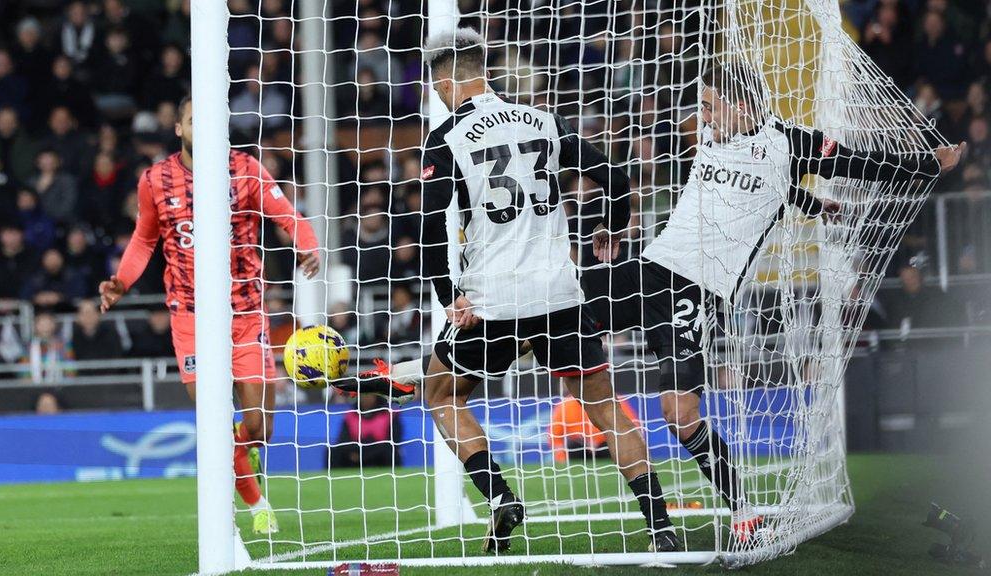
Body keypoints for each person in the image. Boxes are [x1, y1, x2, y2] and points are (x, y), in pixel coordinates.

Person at [579, 61, 965, 542]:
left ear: (741, 105)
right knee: (560, 307)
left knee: (678, 416)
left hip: (694, 293)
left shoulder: (791, 143)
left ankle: (743, 514)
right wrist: (805, 203)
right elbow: (752, 189)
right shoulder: (712, 135)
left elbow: (860, 165)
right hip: (650, 267)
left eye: (709, 105)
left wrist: (930, 163)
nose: (703, 116)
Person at [412, 28, 677, 555]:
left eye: (436, 87)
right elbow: (615, 177)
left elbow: (425, 228)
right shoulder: (543, 120)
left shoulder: (446, 139)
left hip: (492, 297)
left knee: (441, 395)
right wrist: (614, 225)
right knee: (605, 410)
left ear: (446, 81)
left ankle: (500, 497)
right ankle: (661, 526)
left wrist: (450, 298)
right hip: (559, 290)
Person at [98, 96, 321, 535]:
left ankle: (247, 453)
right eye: (194, 121)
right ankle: (255, 508)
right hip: (191, 317)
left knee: (257, 424)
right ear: (179, 128)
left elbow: (288, 216)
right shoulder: (156, 180)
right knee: (215, 422)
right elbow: (144, 241)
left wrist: (307, 245)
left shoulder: (245, 169)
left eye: (212, 121)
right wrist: (121, 283)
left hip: (246, 313)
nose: (204, 128)